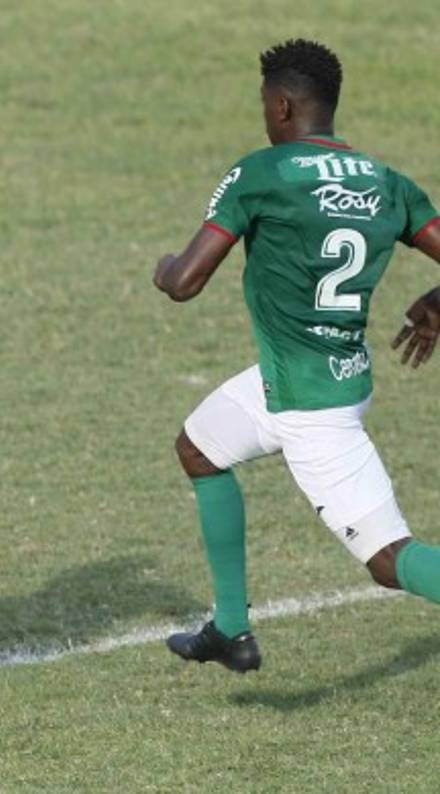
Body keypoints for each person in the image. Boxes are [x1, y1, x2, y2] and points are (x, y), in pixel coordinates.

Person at [154, 40, 440, 673]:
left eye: (264, 104)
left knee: (391, 562)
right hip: (329, 376)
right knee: (199, 448)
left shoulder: (263, 173)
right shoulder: (385, 181)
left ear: (281, 106)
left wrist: (163, 268)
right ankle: (230, 631)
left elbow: (185, 284)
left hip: (310, 407)